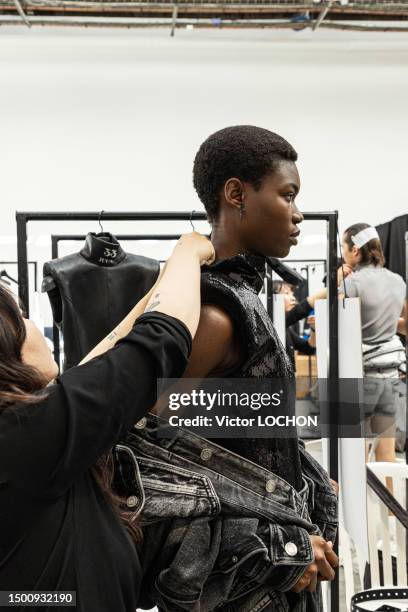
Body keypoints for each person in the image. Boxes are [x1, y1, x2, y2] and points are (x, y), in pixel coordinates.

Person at [0, 232, 215, 612]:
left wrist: (170, 278)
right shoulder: (26, 436)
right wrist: (190, 248)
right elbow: (157, 345)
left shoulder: (23, 433)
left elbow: (112, 352)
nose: (36, 326)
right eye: (24, 318)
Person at [184, 125, 338, 608]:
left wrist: (304, 470)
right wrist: (276, 550)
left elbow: (238, 434)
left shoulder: (242, 301)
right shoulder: (216, 316)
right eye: (287, 195)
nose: (298, 213)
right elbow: (159, 469)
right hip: (252, 587)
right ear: (237, 194)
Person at [341, 223, 407, 466]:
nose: (343, 254)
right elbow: (406, 326)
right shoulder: (398, 281)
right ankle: (391, 507)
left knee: (358, 456)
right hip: (390, 375)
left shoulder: (352, 283)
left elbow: (339, 327)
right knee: (386, 456)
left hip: (362, 375)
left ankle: (362, 507)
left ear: (355, 250)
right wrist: (387, 323)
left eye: (344, 248)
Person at [272, 280, 316, 369]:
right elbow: (300, 310)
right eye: (286, 293)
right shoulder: (270, 323)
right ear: (273, 297)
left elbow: (308, 348)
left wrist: (313, 329)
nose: (293, 298)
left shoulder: (286, 328)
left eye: (292, 294)